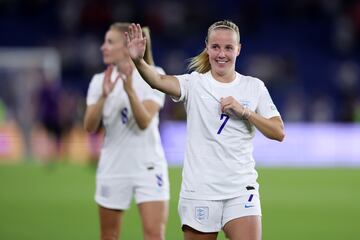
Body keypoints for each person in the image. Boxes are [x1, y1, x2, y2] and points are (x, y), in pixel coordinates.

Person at [126, 20, 285, 240]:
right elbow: (158, 80)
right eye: (216, 47)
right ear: (207, 48)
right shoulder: (194, 83)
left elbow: (278, 131)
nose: (222, 54)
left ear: (238, 49)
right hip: (200, 192)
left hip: (241, 190)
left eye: (229, 47)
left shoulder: (253, 86)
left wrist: (245, 112)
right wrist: (138, 61)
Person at [84, 23, 169, 240]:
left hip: (148, 167)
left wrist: (129, 90)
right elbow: (89, 127)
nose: (103, 47)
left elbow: (143, 122)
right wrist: (103, 96)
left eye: (110, 42)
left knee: (154, 235)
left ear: (126, 47)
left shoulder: (154, 76)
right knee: (109, 236)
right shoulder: (98, 82)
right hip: (113, 168)